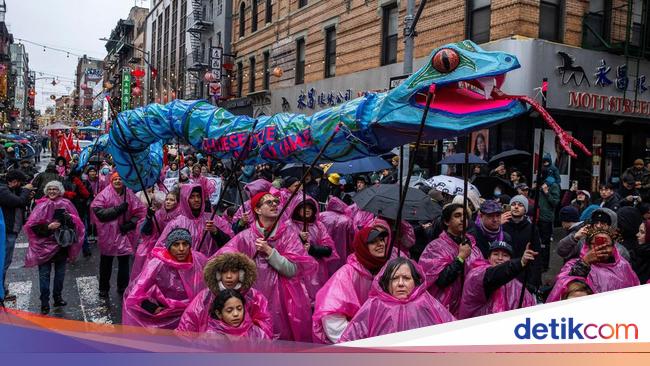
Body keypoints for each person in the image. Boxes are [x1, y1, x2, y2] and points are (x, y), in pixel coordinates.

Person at [215, 191, 317, 341]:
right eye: (269, 202)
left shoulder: (289, 235)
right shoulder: (245, 237)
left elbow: (292, 270)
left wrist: (269, 252)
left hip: (284, 302)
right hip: (253, 300)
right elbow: (224, 262)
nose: (275, 204)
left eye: (276, 201)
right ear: (257, 209)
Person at [339, 257, 455, 342]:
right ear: (386, 282)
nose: (400, 284)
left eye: (406, 278)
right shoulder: (375, 305)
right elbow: (349, 340)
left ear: (415, 281)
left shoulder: (426, 302)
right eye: (394, 278)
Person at [312, 226, 389, 344]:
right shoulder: (346, 275)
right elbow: (332, 320)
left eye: (381, 240)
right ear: (363, 247)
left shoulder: (387, 270)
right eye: (373, 242)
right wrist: (362, 340)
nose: (380, 244)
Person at [123, 228, 207, 329]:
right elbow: (137, 292)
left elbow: (208, 288)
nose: (181, 248)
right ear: (169, 247)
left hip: (193, 313)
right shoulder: (157, 264)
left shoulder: (199, 260)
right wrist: (152, 308)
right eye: (176, 244)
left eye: (185, 244)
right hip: (166, 314)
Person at [24, 181, 85, 314]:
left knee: (60, 275)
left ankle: (57, 298)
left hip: (61, 245)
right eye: (50, 189)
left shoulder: (66, 204)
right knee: (44, 276)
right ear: (46, 191)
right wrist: (48, 227)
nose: (52, 191)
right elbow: (32, 226)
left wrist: (68, 218)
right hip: (43, 247)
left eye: (55, 189)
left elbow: (76, 224)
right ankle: (44, 302)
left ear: (60, 191)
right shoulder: (40, 205)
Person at [177, 252, 272, 338]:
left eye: (234, 271)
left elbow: (265, 325)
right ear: (218, 274)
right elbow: (188, 326)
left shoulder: (254, 297)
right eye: (224, 271)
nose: (229, 276)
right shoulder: (205, 297)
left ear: (241, 274)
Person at [419, 203, 483, 316]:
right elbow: (441, 281)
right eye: (457, 216)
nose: (462, 219)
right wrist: (460, 258)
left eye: (465, 216)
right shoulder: (435, 248)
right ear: (446, 221)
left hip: (468, 309)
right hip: (443, 309)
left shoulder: (474, 248)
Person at [546, 226, 639, 302]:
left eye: (607, 246)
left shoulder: (623, 265)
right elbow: (563, 286)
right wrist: (584, 263)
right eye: (597, 244)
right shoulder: (573, 264)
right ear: (588, 246)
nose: (603, 249)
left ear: (613, 247)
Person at [90, 173, 146, 298]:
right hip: (108, 235)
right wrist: (118, 209)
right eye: (115, 179)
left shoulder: (129, 194)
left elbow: (140, 212)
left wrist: (131, 224)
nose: (118, 181)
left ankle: (123, 287)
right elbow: (98, 212)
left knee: (124, 262)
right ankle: (103, 288)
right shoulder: (104, 194)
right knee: (106, 263)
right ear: (111, 181)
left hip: (124, 233)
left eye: (120, 178)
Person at [458, 240, 537, 319]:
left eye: (505, 255)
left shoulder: (517, 286)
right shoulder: (476, 274)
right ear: (488, 258)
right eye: (496, 254)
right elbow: (494, 275)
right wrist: (521, 262)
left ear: (510, 259)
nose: (500, 258)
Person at [162, 184, 233, 257]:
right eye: (192, 197)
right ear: (185, 199)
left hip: (210, 265)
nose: (196, 200)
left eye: (198, 196)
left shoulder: (214, 219)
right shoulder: (176, 223)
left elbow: (230, 243)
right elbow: (163, 246)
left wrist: (216, 232)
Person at [288, 197, 338, 301]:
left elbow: (329, 249)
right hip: (298, 270)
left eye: (310, 207)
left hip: (318, 271)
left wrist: (312, 249)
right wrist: (299, 240)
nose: (307, 210)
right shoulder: (289, 226)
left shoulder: (319, 226)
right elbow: (285, 247)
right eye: (304, 207)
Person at [131, 190, 181, 281]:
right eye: (167, 199)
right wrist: (149, 217)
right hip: (155, 248)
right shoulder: (158, 214)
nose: (168, 202)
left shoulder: (180, 217)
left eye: (172, 200)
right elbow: (145, 231)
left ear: (177, 203)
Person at [0, 170, 32, 302]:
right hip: (6, 232)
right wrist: (25, 191)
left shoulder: (9, 190)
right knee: (3, 262)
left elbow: (22, 202)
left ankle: (2, 289)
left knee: (5, 262)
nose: (20, 185)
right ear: (13, 181)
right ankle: (1, 292)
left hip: (10, 231)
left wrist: (26, 195)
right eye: (20, 182)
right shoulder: (2, 190)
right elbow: (18, 202)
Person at [502, 195, 542, 290]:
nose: (516, 207)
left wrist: (534, 281)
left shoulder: (532, 228)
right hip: (505, 272)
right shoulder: (502, 226)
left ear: (525, 210)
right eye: (513, 204)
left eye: (520, 205)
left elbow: (536, 256)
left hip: (524, 275)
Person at [198, 289, 270, 339]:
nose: (236, 314)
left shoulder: (256, 333)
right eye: (229, 311)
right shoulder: (209, 338)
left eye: (239, 309)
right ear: (219, 314)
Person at [320, 196, 355, 274]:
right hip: (341, 253)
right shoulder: (348, 221)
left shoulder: (321, 216)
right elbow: (352, 240)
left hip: (323, 252)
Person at [538, 175, 560, 270]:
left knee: (545, 243)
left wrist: (546, 192)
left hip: (546, 218)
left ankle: (544, 265)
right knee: (537, 242)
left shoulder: (553, 185)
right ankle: (538, 263)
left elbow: (555, 202)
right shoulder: (540, 182)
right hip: (538, 217)